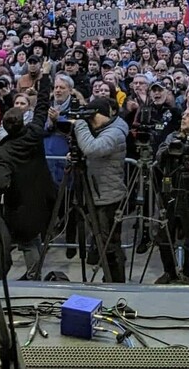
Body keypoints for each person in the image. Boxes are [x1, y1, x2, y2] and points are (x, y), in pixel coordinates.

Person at [0, 66, 57, 280]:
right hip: (41, 196)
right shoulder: (34, 133)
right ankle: (36, 271)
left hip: (20, 204)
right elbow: (41, 108)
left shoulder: (4, 151)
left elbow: (1, 183)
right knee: (35, 237)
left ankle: (34, 275)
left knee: (28, 242)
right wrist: (46, 76)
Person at [71, 96, 129, 282]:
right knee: (101, 243)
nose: (90, 122)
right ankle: (109, 278)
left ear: (102, 115)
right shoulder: (104, 129)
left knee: (110, 245)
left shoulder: (115, 133)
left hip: (109, 197)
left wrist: (79, 125)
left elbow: (92, 149)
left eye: (92, 117)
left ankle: (116, 282)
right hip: (98, 192)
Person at [154, 103, 189, 284]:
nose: (184, 118)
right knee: (164, 236)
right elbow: (159, 155)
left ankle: (187, 273)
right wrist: (170, 151)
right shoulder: (173, 136)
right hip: (170, 191)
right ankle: (169, 271)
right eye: (184, 114)